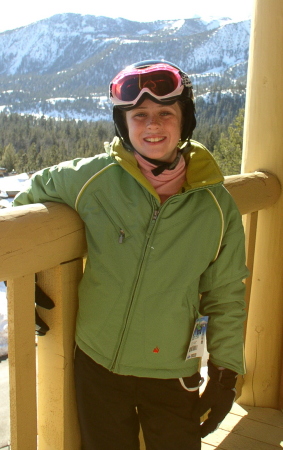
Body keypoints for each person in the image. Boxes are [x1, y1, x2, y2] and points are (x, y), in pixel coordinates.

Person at [13, 60, 249, 450]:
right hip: (97, 364)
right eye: (139, 115)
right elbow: (24, 207)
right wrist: (25, 276)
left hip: (172, 371)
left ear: (184, 120)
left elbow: (225, 293)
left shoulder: (216, 205)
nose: (152, 125)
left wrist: (224, 374)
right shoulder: (94, 178)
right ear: (124, 124)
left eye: (165, 113)